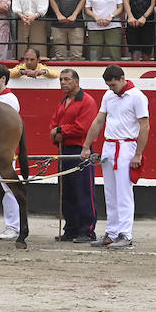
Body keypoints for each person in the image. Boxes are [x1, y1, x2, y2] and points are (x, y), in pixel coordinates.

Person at [81, 65, 150, 249]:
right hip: (109, 146)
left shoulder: (137, 96)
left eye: (113, 84)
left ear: (122, 79)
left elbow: (145, 126)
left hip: (126, 147)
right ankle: (111, 233)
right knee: (110, 193)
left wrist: (138, 154)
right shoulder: (108, 95)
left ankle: (125, 235)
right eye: (108, 85)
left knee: (124, 193)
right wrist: (86, 146)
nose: (111, 88)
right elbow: (98, 121)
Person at [51, 69, 99, 244]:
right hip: (65, 149)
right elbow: (54, 122)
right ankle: (71, 228)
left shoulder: (87, 101)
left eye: (67, 80)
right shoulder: (63, 101)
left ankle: (87, 230)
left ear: (77, 82)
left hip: (80, 149)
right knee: (67, 191)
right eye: (61, 80)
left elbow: (83, 127)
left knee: (82, 190)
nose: (63, 83)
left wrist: (60, 130)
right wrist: (57, 131)